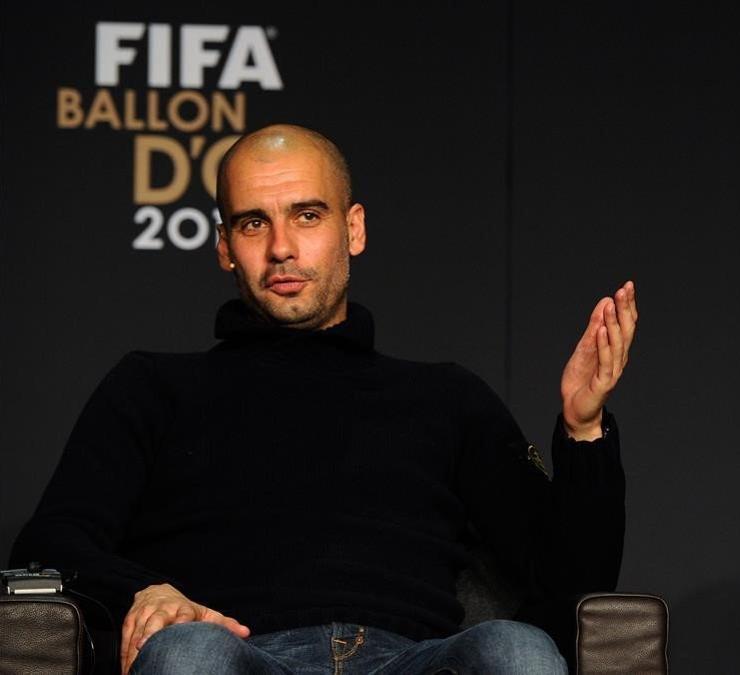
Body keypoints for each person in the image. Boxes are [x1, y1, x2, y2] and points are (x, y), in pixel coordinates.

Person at [10, 124, 638, 674]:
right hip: (237, 652)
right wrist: (144, 590)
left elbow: (570, 586)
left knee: (519, 651)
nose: (281, 247)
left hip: (413, 659)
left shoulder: (447, 397)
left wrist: (583, 431)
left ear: (354, 229)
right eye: (254, 222)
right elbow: (49, 543)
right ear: (225, 245)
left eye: (308, 215)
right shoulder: (151, 387)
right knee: (187, 654)